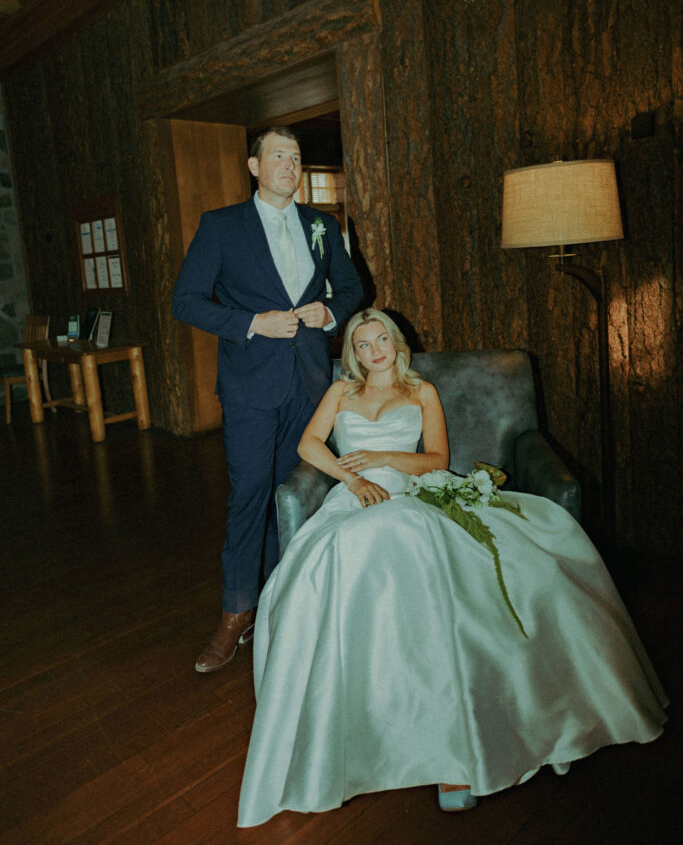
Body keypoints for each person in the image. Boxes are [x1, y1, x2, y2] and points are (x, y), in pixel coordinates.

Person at [237, 307, 668, 826]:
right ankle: (347, 743)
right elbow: (310, 444)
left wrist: (387, 458)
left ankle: (455, 756)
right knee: (340, 559)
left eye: (381, 341)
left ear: (397, 344)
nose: (374, 351)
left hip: (410, 498)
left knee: (429, 559)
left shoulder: (421, 392)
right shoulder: (341, 393)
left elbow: (437, 460)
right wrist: (352, 481)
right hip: (354, 501)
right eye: (362, 344)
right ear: (352, 352)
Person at [172, 127, 362, 673]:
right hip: (251, 388)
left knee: (298, 495)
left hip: (311, 386)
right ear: (254, 166)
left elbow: (351, 290)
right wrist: (251, 322)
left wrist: (328, 313)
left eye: (297, 157)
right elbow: (185, 301)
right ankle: (237, 613)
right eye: (278, 155)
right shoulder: (222, 226)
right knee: (250, 496)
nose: (290, 164)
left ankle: (288, 600)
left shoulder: (324, 226)